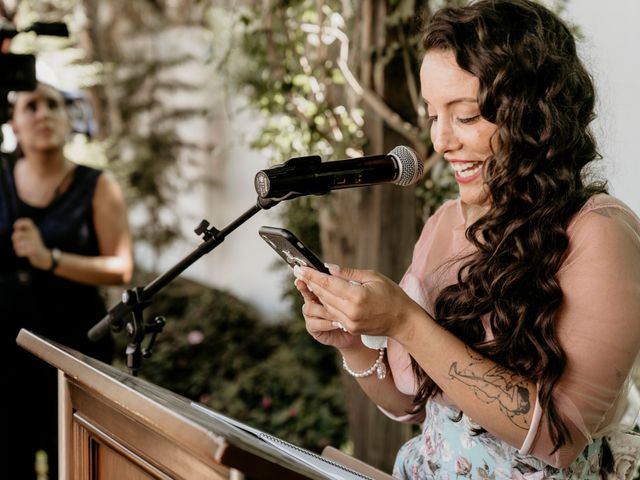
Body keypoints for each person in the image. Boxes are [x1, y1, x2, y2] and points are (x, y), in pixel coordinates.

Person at [293, 0, 640, 478]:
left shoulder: (599, 232)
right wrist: (354, 343)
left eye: (467, 115)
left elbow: (558, 437)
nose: (440, 141)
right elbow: (417, 405)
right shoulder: (443, 224)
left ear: (535, 116)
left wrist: (405, 321)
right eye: (434, 115)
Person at [0, 82, 133, 479]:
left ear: (68, 119)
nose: (44, 114)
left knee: (73, 463)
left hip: (72, 349)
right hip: (4, 351)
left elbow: (121, 267)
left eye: (54, 105)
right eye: (31, 107)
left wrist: (50, 258)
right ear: (14, 123)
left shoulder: (97, 185)